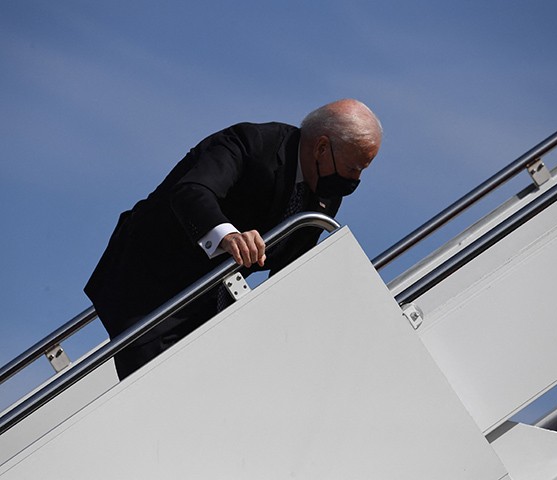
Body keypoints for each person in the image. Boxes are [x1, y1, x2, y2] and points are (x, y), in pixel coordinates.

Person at [84, 99, 383, 379]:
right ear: (320, 148)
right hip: (149, 281)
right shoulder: (252, 143)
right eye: (354, 168)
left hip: (209, 300)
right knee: (156, 391)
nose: (355, 180)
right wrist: (228, 236)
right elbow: (192, 191)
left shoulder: (324, 195)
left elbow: (292, 266)